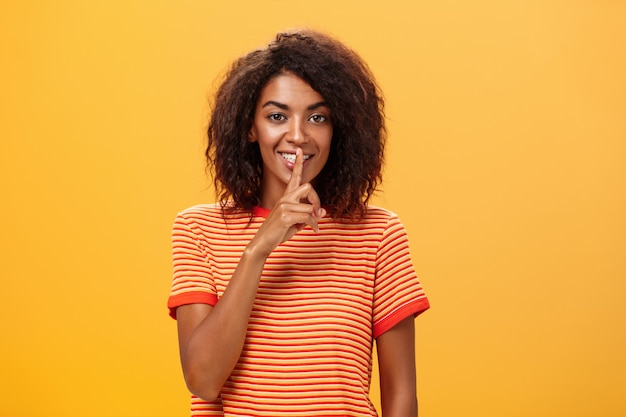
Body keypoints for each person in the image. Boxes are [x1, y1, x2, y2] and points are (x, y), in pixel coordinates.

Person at [167, 29, 430, 417]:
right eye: (277, 116)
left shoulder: (378, 233)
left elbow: (401, 396)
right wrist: (259, 247)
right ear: (250, 127)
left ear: (338, 129)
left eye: (317, 117)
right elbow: (203, 379)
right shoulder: (199, 230)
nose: (297, 136)